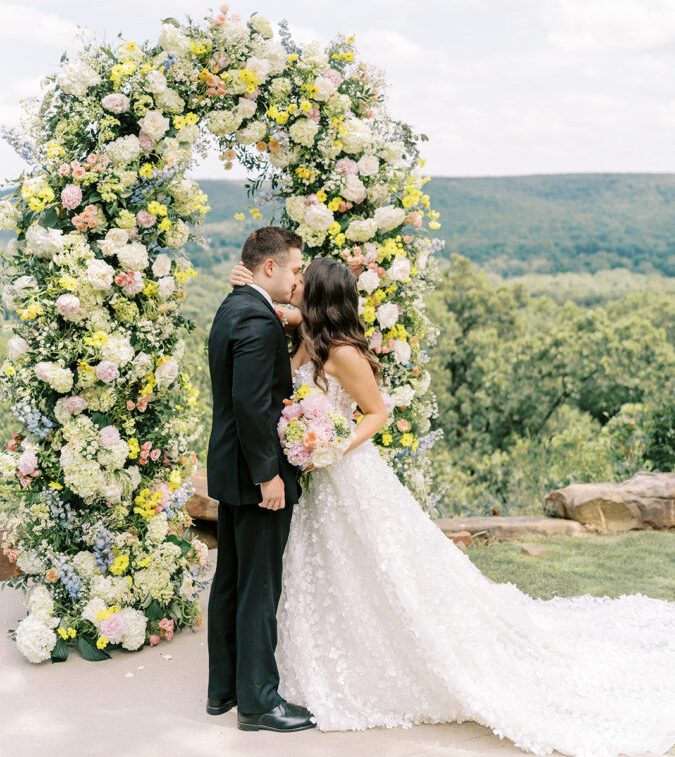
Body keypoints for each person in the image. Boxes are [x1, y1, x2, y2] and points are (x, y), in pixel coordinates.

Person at [229, 253, 675, 756]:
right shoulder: (308, 334)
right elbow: (274, 309)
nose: (296, 286)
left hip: (348, 474)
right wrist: (246, 282)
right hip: (320, 483)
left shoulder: (345, 354)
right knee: (326, 568)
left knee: (385, 568)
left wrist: (332, 448)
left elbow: (377, 412)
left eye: (302, 282)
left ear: (317, 296)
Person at [206, 226, 316, 733]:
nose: (297, 278)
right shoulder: (255, 319)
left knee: (231, 580)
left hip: (230, 469)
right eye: (294, 268)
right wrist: (269, 475)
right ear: (268, 268)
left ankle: (224, 689)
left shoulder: (235, 305)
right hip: (255, 477)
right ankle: (258, 703)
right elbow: (252, 406)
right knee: (258, 588)